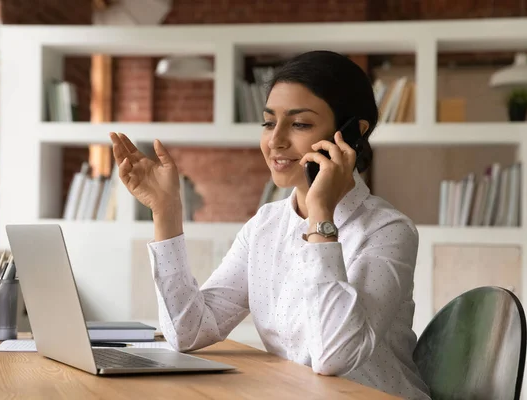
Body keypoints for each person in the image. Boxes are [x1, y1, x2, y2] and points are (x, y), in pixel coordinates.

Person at [109, 50, 431, 400]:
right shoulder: (266, 224)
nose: (275, 139)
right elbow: (188, 331)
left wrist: (320, 214)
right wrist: (166, 211)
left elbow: (334, 357)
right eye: (268, 122)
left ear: (351, 133)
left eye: (300, 124)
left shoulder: (388, 230)